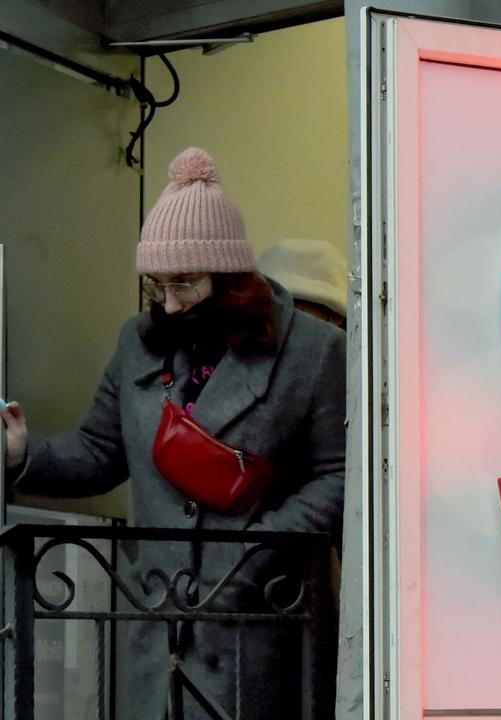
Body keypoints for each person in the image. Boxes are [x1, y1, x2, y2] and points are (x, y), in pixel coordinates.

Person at [0, 147, 345, 719]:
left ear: (231, 276)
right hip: (156, 635)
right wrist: (21, 455)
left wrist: (254, 550)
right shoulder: (137, 341)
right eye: (156, 286)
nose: (169, 303)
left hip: (265, 630)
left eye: (184, 283)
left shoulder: (313, 352)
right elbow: (99, 452)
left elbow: (340, 477)